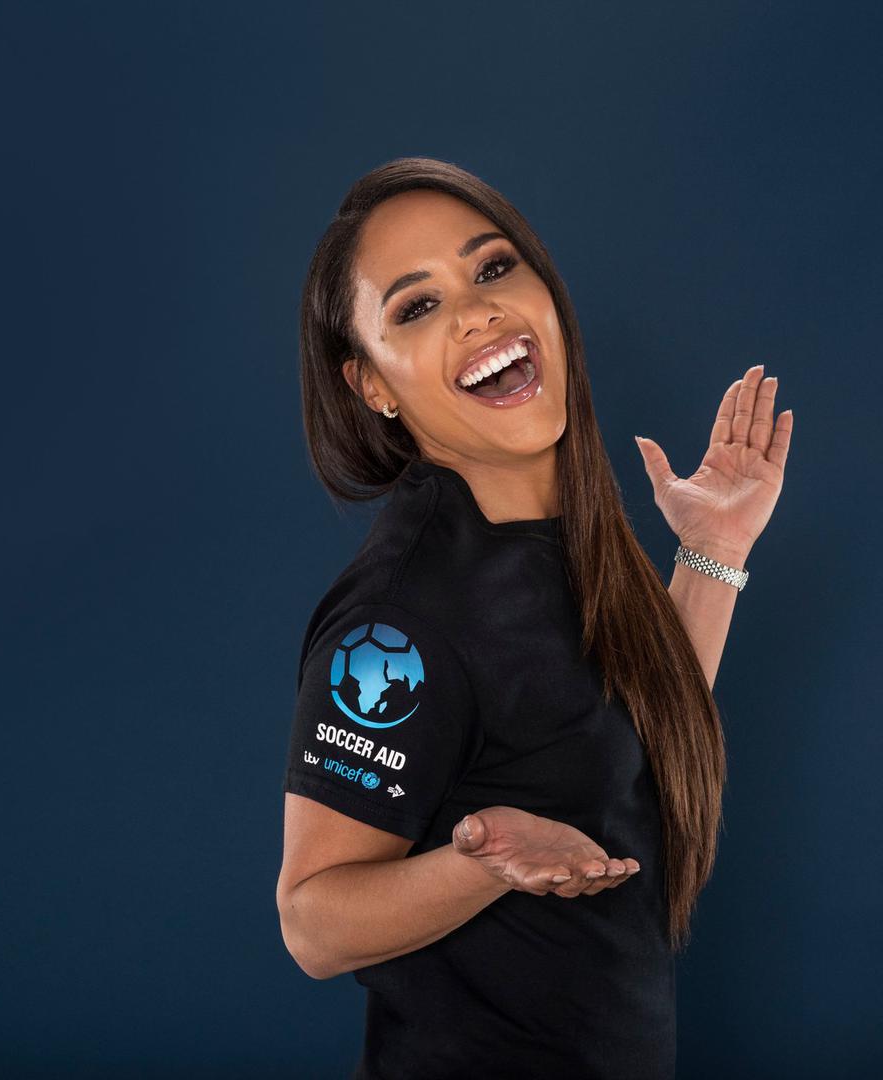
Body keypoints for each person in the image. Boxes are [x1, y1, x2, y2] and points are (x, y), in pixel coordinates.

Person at [275, 157, 793, 1078]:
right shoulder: (396, 621)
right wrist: (479, 864)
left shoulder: (560, 537)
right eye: (415, 306)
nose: (476, 312)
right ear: (372, 386)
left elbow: (619, 742)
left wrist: (712, 551)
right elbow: (312, 924)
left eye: (491, 267)